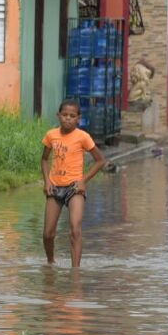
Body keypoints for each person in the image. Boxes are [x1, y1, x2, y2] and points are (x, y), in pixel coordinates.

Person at [41, 98, 107, 267]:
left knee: (75, 230)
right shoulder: (51, 135)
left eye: (72, 116)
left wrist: (83, 180)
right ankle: (50, 263)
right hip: (55, 187)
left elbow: (100, 161)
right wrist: (47, 181)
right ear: (58, 116)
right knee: (48, 233)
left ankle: (75, 271)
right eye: (64, 115)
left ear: (79, 118)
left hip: (74, 188)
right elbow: (44, 159)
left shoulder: (83, 137)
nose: (68, 118)